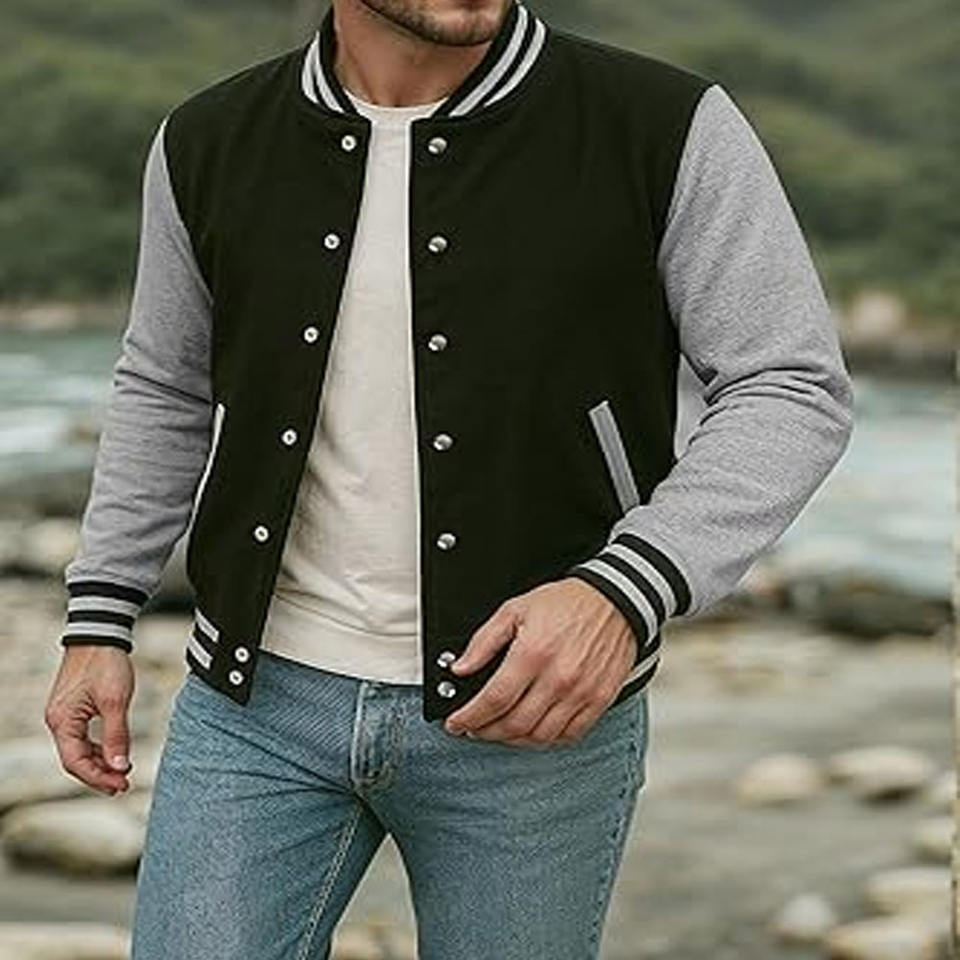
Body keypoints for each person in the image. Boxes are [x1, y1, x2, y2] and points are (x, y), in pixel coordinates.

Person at [43, 0, 855, 957]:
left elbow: (789, 384)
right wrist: (100, 617)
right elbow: (165, 385)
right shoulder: (208, 139)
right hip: (253, 708)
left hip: (536, 711)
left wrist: (622, 590)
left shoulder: (664, 124)